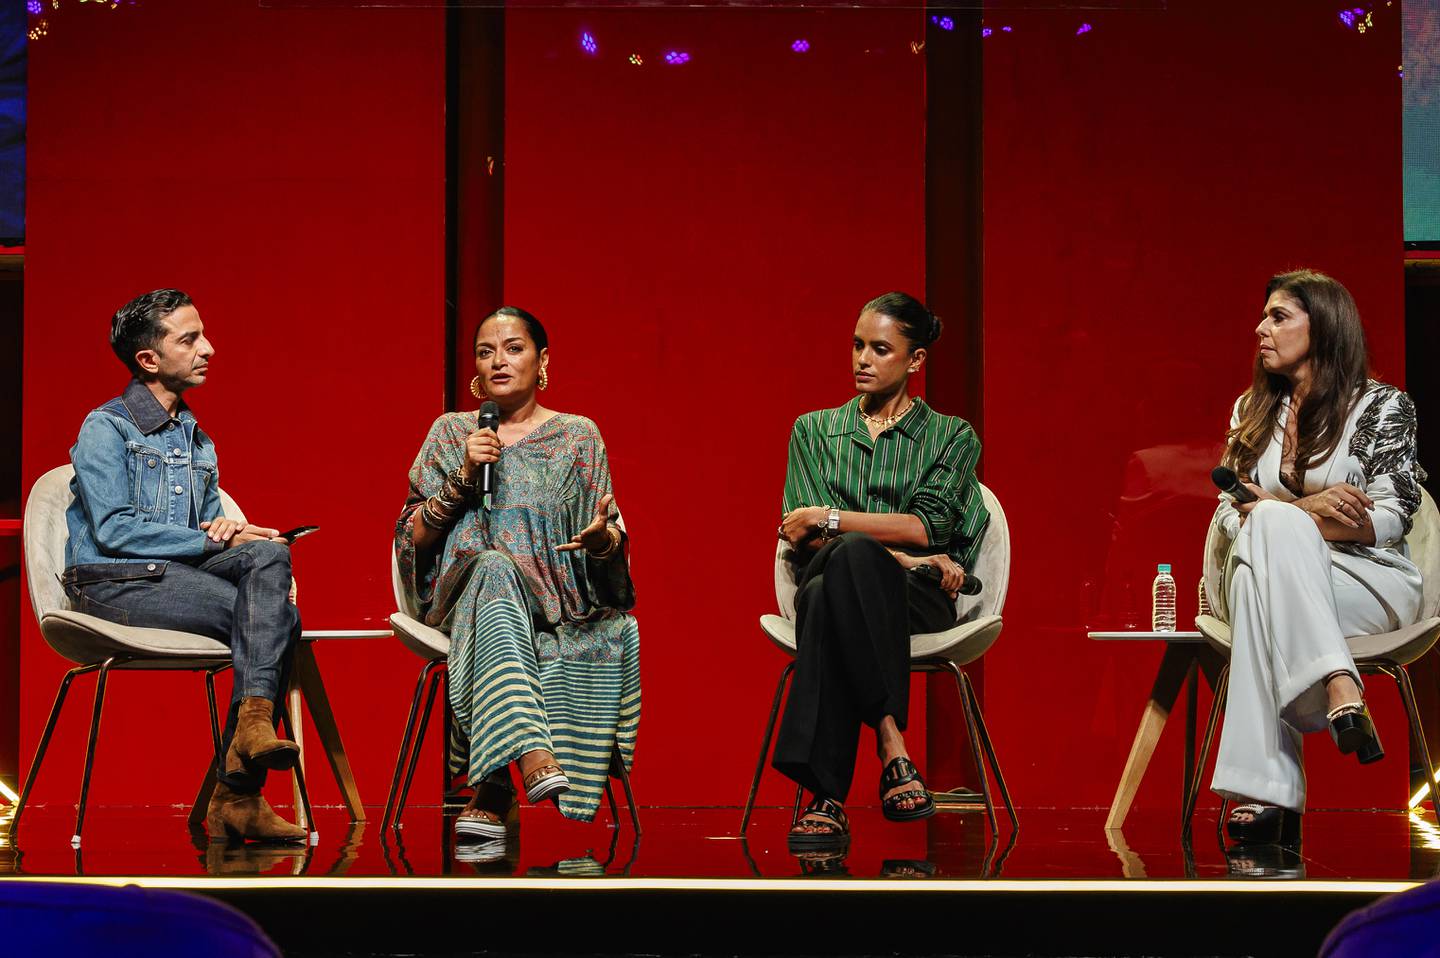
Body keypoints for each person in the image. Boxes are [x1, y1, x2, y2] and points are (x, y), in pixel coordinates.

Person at [63, 288, 306, 843]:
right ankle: (238, 788)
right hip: (110, 581)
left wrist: (231, 531)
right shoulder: (107, 427)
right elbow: (115, 530)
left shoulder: (197, 439)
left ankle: (247, 745)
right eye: (190, 339)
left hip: (172, 578)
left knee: (271, 552)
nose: (209, 349)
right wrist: (207, 540)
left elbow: (202, 531)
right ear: (149, 359)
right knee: (277, 620)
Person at [394, 305, 639, 840]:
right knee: (495, 567)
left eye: (513, 348)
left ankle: (492, 785)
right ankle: (531, 753)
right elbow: (411, 539)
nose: (498, 362)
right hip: (461, 596)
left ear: (542, 360)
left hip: (554, 598)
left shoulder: (578, 436)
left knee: (511, 581)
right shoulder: (451, 432)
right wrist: (463, 476)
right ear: (475, 369)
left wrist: (602, 541)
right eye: (486, 352)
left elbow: (609, 545)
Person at [1210, 269, 1426, 846]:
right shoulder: (1251, 409)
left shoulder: (1382, 406)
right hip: (1281, 576)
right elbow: (1231, 515)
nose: (1261, 328)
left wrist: (1284, 514)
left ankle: (1266, 788)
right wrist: (1310, 509)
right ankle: (1339, 687)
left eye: (1278, 316)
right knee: (1262, 555)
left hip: (1366, 582)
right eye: (1264, 316)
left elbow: (1389, 516)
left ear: (1324, 326)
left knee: (1265, 557)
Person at [772, 291, 989, 849]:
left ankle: (826, 796)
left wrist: (838, 519)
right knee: (839, 571)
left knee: (827, 592)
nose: (862, 360)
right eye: (857, 345)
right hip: (870, 570)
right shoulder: (814, 430)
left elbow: (926, 526)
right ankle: (891, 741)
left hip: (915, 598)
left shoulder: (952, 436)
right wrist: (896, 552)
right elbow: (803, 533)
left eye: (880, 349)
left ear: (915, 361)